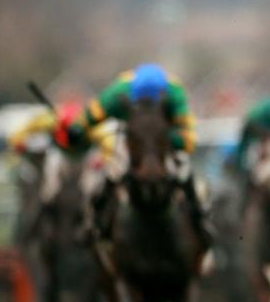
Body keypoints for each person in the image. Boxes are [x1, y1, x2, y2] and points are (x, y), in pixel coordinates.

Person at [78, 63, 209, 245]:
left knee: (185, 171)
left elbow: (189, 139)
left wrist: (165, 137)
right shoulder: (118, 91)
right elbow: (90, 116)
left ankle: (201, 221)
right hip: (131, 142)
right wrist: (76, 128)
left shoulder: (175, 92)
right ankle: (96, 223)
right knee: (112, 172)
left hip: (163, 143)